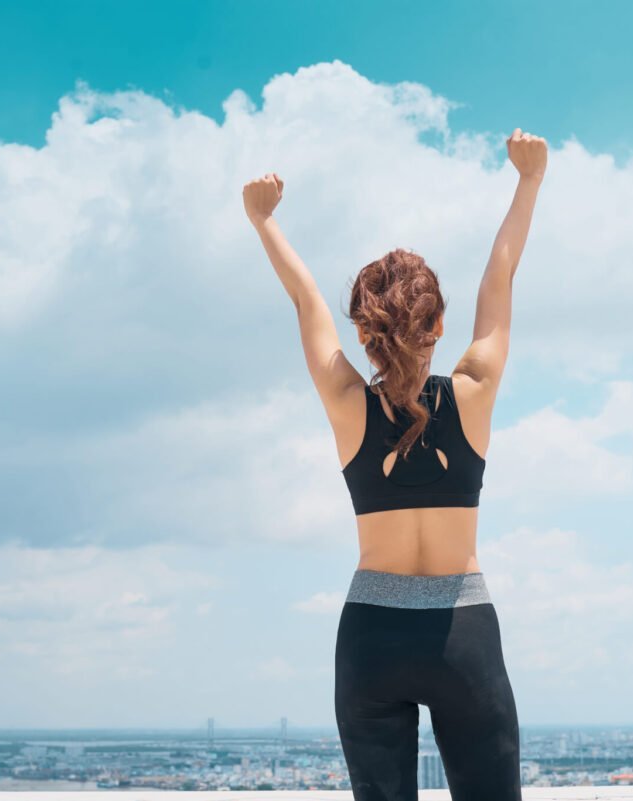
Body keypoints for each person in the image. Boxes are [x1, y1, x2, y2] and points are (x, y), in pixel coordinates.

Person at [242, 127, 549, 801]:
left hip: (371, 635)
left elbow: (306, 300)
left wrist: (263, 221)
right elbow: (501, 277)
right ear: (437, 324)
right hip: (462, 636)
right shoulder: (473, 393)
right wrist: (528, 181)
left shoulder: (349, 404)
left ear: (365, 333)